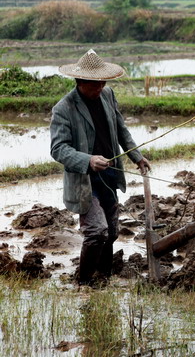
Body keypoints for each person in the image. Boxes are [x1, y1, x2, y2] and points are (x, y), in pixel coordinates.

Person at [50, 49, 151, 286]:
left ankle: (104, 277)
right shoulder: (63, 109)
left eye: (103, 83)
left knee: (112, 232)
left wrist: (136, 156)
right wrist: (88, 160)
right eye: (95, 84)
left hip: (109, 175)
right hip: (85, 180)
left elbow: (121, 128)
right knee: (96, 232)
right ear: (80, 82)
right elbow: (58, 149)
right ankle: (83, 283)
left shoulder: (107, 95)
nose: (100, 87)